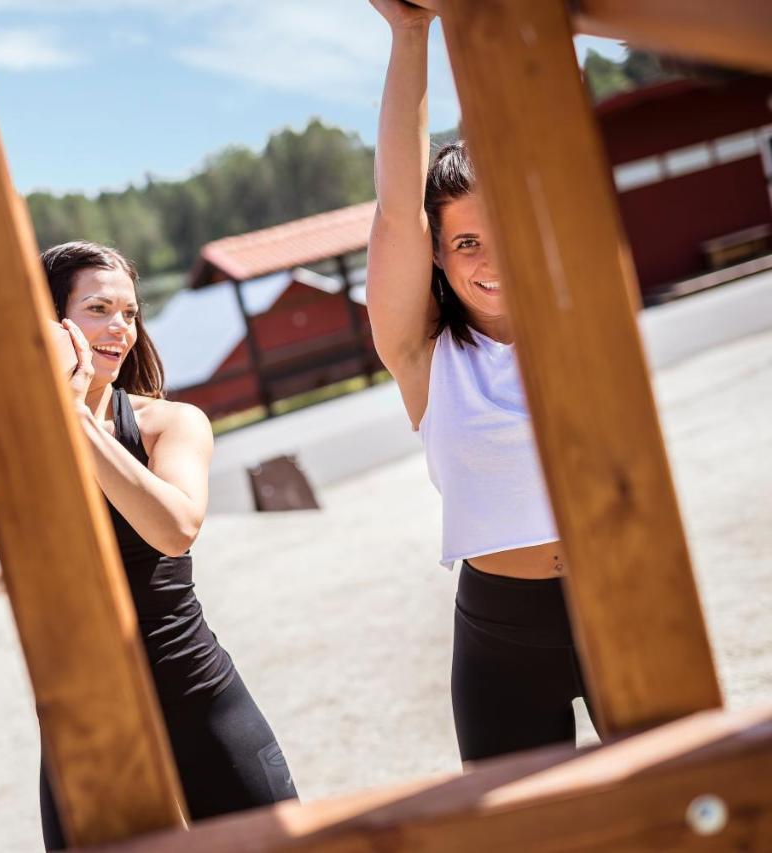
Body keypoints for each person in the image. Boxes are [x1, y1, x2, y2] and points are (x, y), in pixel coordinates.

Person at [0, 240, 298, 849]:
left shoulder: (168, 424)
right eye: (99, 308)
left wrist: (71, 418)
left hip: (195, 693)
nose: (120, 328)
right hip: (81, 719)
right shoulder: (8, 450)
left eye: (130, 312)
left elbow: (173, 529)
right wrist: (19, 437)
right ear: (50, 327)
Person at [366, 0, 594, 763]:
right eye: (465, 241)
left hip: (620, 584)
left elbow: (559, 134)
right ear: (438, 255)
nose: (487, 260)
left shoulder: (578, 321)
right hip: (503, 630)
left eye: (502, 231)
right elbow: (398, 212)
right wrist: (410, 32)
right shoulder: (425, 357)